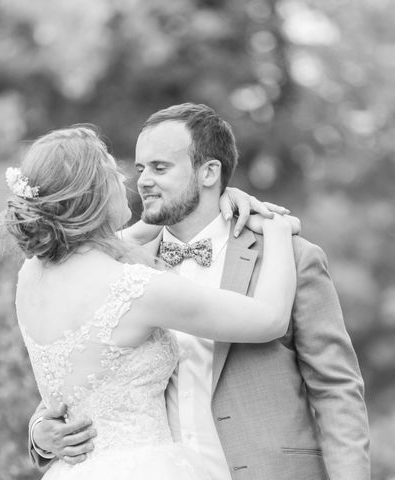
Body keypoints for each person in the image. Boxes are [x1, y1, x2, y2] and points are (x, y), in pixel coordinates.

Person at [29, 104, 370, 480]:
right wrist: (41, 433)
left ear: (209, 172)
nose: (142, 181)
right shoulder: (120, 273)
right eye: (140, 169)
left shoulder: (291, 258)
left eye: (160, 168)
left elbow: (337, 388)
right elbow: (84, 370)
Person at [4, 124, 297, 480]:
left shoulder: (31, 275)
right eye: (115, 173)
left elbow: (114, 242)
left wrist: (219, 195)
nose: (131, 183)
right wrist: (279, 230)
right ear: (94, 195)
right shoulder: (135, 289)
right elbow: (269, 319)